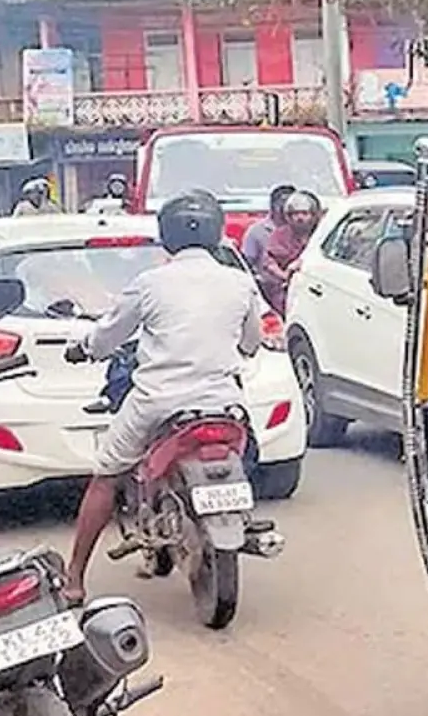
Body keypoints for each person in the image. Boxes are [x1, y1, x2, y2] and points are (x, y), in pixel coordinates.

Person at [62, 190, 265, 603]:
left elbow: (106, 337)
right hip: (224, 402)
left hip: (158, 402)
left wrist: (83, 347)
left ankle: (74, 579)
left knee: (105, 476)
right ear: (216, 232)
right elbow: (251, 342)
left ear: (167, 235)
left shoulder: (150, 283)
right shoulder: (240, 283)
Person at [253, 190, 320, 316]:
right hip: (284, 291)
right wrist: (285, 275)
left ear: (313, 215)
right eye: (295, 214)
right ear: (288, 216)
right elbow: (269, 262)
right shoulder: (279, 235)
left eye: (305, 213)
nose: (300, 218)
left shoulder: (320, 234)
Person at [240, 184, 299, 267]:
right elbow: (247, 263)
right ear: (273, 205)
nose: (285, 207)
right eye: (282, 202)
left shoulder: (305, 230)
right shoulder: (256, 231)